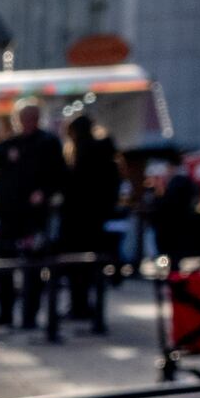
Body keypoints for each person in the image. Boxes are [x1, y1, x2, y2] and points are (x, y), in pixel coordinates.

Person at [0, 102, 66, 328]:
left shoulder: (48, 143)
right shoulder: (10, 144)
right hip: (9, 214)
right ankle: (6, 313)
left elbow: (59, 176)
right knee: (4, 263)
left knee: (33, 266)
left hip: (33, 217)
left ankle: (29, 315)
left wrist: (44, 193)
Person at [60, 115, 122, 321]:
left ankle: (80, 306)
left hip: (78, 219)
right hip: (96, 218)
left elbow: (71, 186)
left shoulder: (82, 153)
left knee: (77, 266)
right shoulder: (104, 152)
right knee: (90, 267)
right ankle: (86, 307)